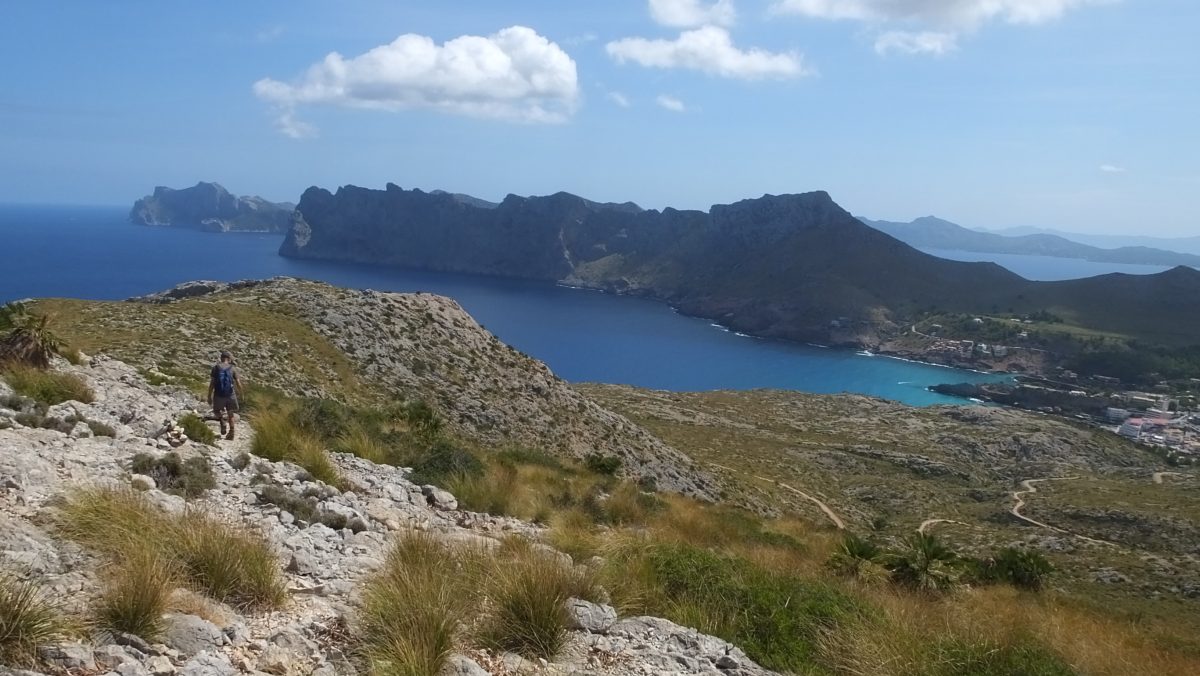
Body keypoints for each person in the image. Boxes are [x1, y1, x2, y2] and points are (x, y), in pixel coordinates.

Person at [207, 350, 243, 440]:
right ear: (229, 359)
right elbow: (238, 383)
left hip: (219, 394)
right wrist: (241, 394)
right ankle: (231, 433)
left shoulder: (216, 368)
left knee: (216, 411)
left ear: (221, 358)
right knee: (231, 414)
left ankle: (222, 420)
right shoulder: (233, 368)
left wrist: (209, 396)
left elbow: (212, 383)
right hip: (230, 394)